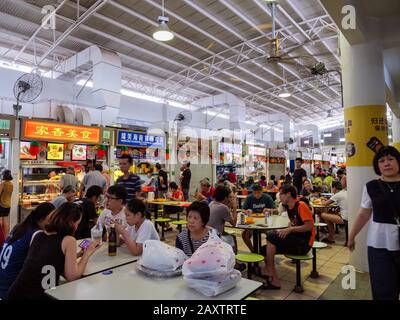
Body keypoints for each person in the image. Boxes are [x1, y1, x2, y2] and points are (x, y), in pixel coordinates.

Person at [6, 202, 100, 300]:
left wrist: (78, 255)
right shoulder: (68, 240)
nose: (76, 228)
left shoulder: (38, 235)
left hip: (16, 292)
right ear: (72, 223)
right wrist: (87, 254)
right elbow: (72, 276)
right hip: (38, 295)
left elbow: (50, 260)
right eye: (77, 224)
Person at [348, 146, 400, 300]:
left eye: (391, 159)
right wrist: (352, 236)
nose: (386, 163)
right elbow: (364, 213)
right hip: (379, 245)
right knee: (383, 290)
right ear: (377, 166)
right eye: (381, 161)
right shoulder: (371, 186)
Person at [262, 185, 315, 290]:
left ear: (288, 194)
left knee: (271, 237)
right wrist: (287, 229)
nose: (279, 197)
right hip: (296, 240)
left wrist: (289, 230)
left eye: (281, 194)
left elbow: (309, 226)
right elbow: (295, 224)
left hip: (304, 244)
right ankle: (269, 272)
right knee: (263, 249)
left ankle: (274, 279)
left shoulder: (301, 205)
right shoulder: (289, 207)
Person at [0, 203, 55, 299]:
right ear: (43, 219)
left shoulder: (19, 227)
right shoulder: (37, 234)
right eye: (52, 218)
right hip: (11, 290)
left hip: (3, 283)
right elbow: (40, 266)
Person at [242, 184, 277, 252]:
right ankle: (253, 251)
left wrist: (269, 210)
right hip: (252, 222)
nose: (257, 195)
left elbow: (276, 211)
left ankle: (267, 251)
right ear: (252, 192)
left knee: (272, 235)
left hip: (265, 223)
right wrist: (247, 211)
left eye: (259, 193)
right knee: (244, 235)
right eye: (255, 193)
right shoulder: (249, 198)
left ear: (262, 191)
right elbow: (243, 210)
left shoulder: (267, 197)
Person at [0, 170, 13, 235]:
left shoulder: (3, 183)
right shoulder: (11, 184)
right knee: (6, 221)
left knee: (1, 221)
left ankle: (1, 237)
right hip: (8, 205)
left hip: (1, 204)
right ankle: (6, 236)